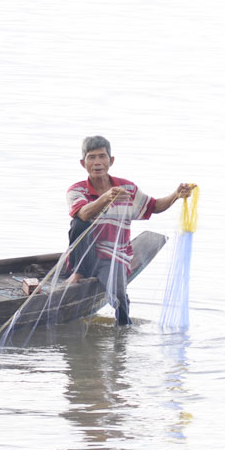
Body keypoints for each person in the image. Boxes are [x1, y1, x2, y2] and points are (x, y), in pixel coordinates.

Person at [65, 135, 194, 325]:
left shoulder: (126, 188)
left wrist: (176, 195)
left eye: (102, 156)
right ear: (83, 163)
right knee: (78, 224)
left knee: (119, 296)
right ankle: (78, 273)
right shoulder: (77, 190)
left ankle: (123, 328)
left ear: (111, 161)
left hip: (114, 255)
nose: (97, 163)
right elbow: (83, 214)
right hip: (87, 256)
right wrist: (106, 198)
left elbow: (154, 206)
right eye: (91, 158)